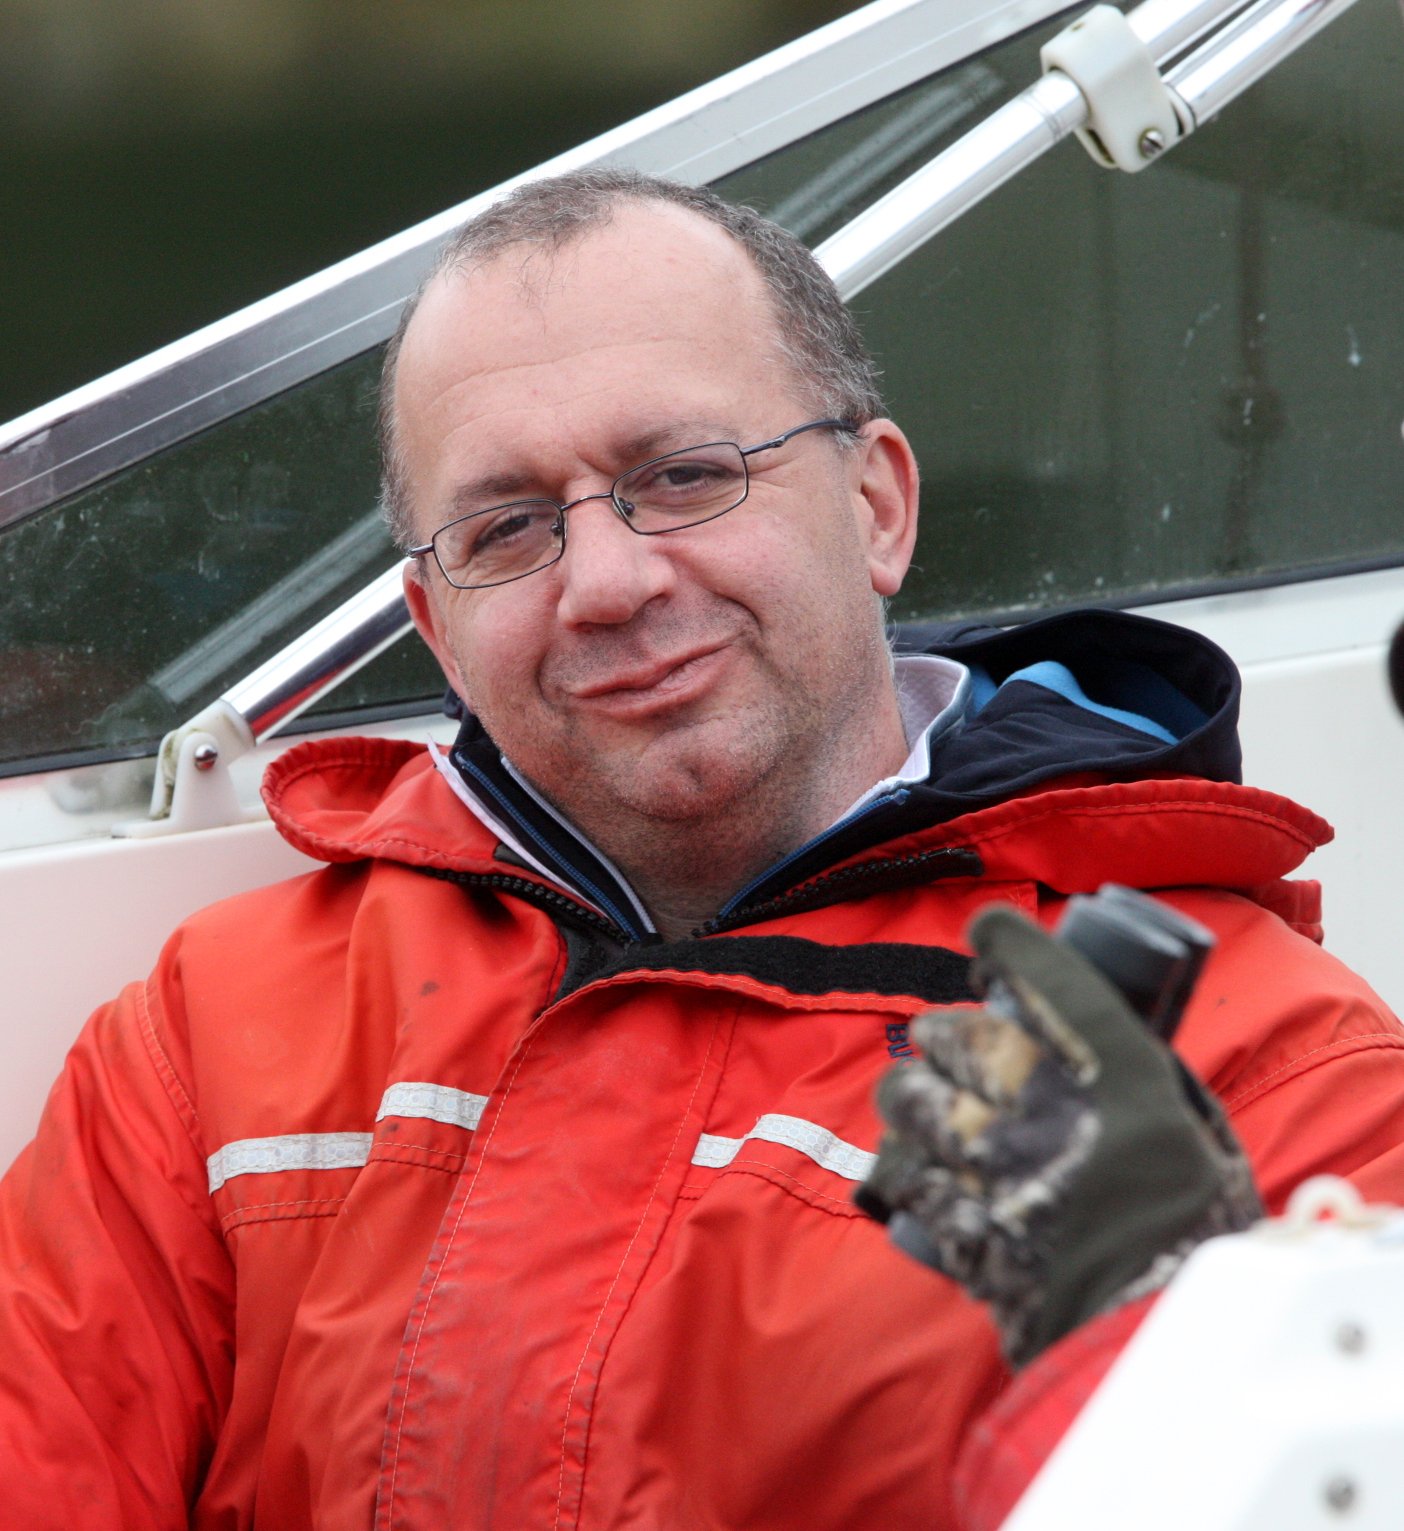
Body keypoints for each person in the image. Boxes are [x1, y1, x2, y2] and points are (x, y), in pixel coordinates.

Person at [2, 168, 1403, 1530]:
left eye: (683, 476)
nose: (607, 582)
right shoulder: (215, 1038)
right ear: (436, 629)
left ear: (877, 508)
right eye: (508, 528)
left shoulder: (1259, 1076)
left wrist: (1174, 1336)